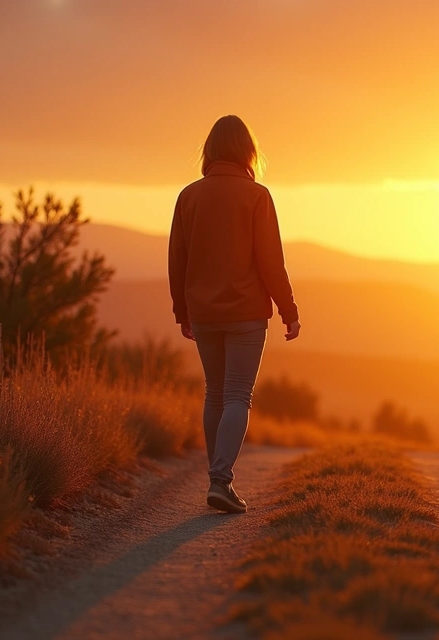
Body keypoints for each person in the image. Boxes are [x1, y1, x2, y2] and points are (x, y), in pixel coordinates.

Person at [168, 115, 301, 514]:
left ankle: (217, 477)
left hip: (204, 313)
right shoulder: (256, 196)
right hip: (245, 314)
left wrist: (182, 312)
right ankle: (220, 481)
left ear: (209, 151)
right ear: (248, 151)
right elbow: (270, 261)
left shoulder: (189, 196)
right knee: (237, 395)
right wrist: (288, 308)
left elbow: (177, 259)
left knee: (216, 393)